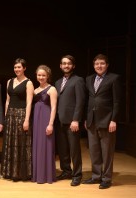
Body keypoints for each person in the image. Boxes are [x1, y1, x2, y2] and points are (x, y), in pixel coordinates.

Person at [82, 54, 121, 189]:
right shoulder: (89, 79)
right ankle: (96, 176)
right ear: (93, 66)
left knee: (107, 152)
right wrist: (86, 118)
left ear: (107, 65)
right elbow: (89, 100)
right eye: (97, 64)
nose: (99, 66)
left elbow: (116, 102)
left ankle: (106, 178)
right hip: (92, 120)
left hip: (107, 120)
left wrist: (113, 120)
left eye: (102, 63)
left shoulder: (114, 78)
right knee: (94, 151)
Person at [1, 58, 34, 182]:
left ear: (24, 68)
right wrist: (6, 116)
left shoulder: (28, 83)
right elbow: (7, 100)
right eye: (15, 67)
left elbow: (29, 103)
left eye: (19, 67)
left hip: (21, 114)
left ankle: (20, 173)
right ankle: (10, 171)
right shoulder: (9, 81)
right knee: (10, 143)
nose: (17, 69)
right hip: (10, 115)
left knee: (20, 143)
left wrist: (26, 120)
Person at [55, 55, 86, 186]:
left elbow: (80, 101)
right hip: (59, 121)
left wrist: (76, 120)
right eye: (64, 63)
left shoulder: (78, 80)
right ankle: (66, 171)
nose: (66, 65)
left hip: (72, 122)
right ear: (60, 66)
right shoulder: (57, 82)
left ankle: (77, 174)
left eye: (69, 63)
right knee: (62, 149)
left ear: (73, 66)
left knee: (74, 150)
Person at [31, 65, 57, 184]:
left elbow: (53, 108)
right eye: (39, 75)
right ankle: (38, 175)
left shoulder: (52, 89)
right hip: (36, 120)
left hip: (46, 120)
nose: (41, 77)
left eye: (43, 75)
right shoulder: (35, 90)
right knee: (38, 146)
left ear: (48, 76)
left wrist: (50, 124)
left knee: (46, 146)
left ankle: (46, 175)